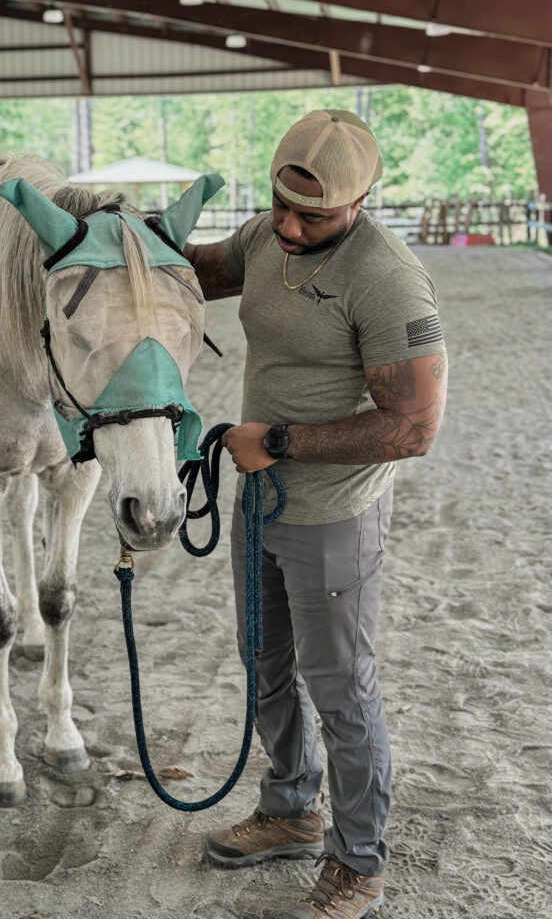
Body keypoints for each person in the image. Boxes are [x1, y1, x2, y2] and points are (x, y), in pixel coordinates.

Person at [181, 109, 447, 919]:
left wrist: (284, 440)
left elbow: (414, 426)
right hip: (259, 492)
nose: (290, 228)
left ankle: (358, 862)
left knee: (340, 689)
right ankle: (291, 808)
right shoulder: (270, 233)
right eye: (281, 205)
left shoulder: (386, 277)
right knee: (263, 663)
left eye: (314, 216)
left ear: (363, 198)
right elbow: (195, 271)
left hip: (332, 511)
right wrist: (115, 235)